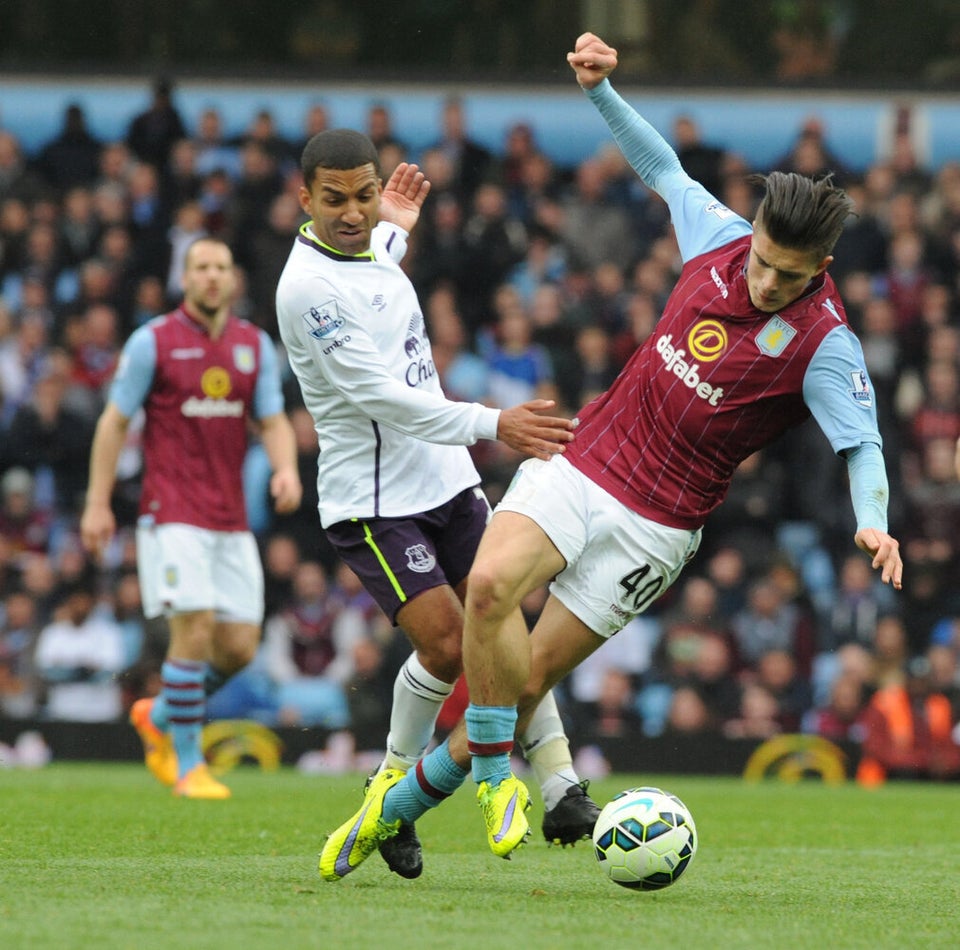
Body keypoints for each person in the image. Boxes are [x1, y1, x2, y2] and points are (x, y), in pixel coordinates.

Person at [317, 31, 905, 880]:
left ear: (824, 265)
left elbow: (865, 446)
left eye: (787, 275)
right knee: (486, 590)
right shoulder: (720, 240)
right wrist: (599, 91)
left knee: (516, 689)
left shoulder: (826, 345)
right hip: (584, 460)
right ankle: (493, 782)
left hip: (658, 528)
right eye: (764, 263)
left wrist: (875, 524)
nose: (765, 283)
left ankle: (389, 810)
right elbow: (661, 165)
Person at [274, 129, 598, 880]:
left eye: (363, 194)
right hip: (375, 499)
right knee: (452, 647)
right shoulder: (305, 290)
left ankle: (560, 785)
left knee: (505, 628)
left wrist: (394, 229)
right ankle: (389, 786)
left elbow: (374, 268)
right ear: (304, 200)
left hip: (445, 478)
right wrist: (495, 423)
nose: (352, 211)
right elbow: (382, 398)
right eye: (335, 199)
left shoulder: (365, 251)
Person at [80, 236, 301, 799]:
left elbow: (273, 421)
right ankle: (186, 763)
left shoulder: (253, 345)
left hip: (230, 518)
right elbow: (113, 422)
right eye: (200, 267)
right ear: (185, 277)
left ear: (232, 280)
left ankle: (157, 717)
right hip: (171, 512)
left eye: (220, 268)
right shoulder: (152, 342)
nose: (210, 277)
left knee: (238, 647)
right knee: (194, 630)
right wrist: (97, 501)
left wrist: (286, 470)